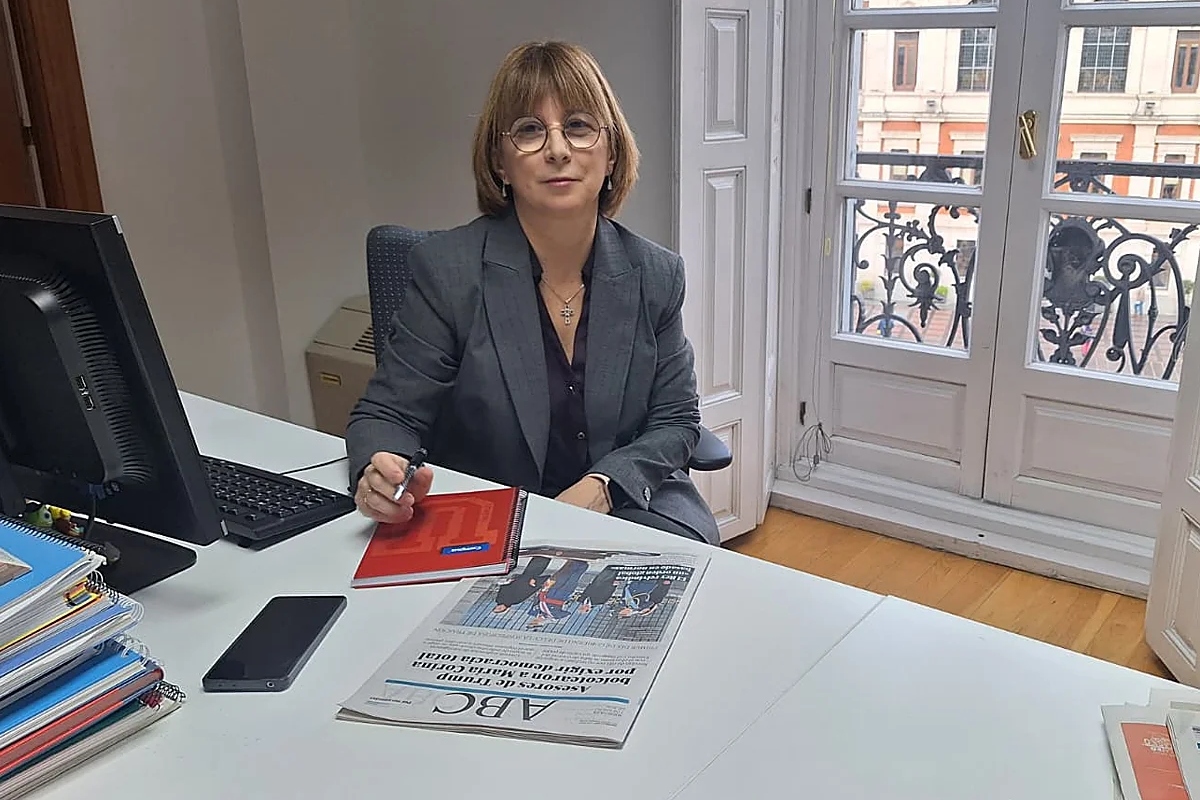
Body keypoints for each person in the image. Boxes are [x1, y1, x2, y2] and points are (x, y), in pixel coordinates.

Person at [345, 40, 718, 545]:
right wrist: (380, 473)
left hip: (627, 505)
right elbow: (388, 414)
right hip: (494, 518)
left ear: (610, 154)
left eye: (580, 127)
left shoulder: (656, 273)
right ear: (500, 163)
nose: (558, 149)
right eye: (529, 131)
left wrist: (604, 486)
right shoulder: (448, 272)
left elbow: (676, 419)